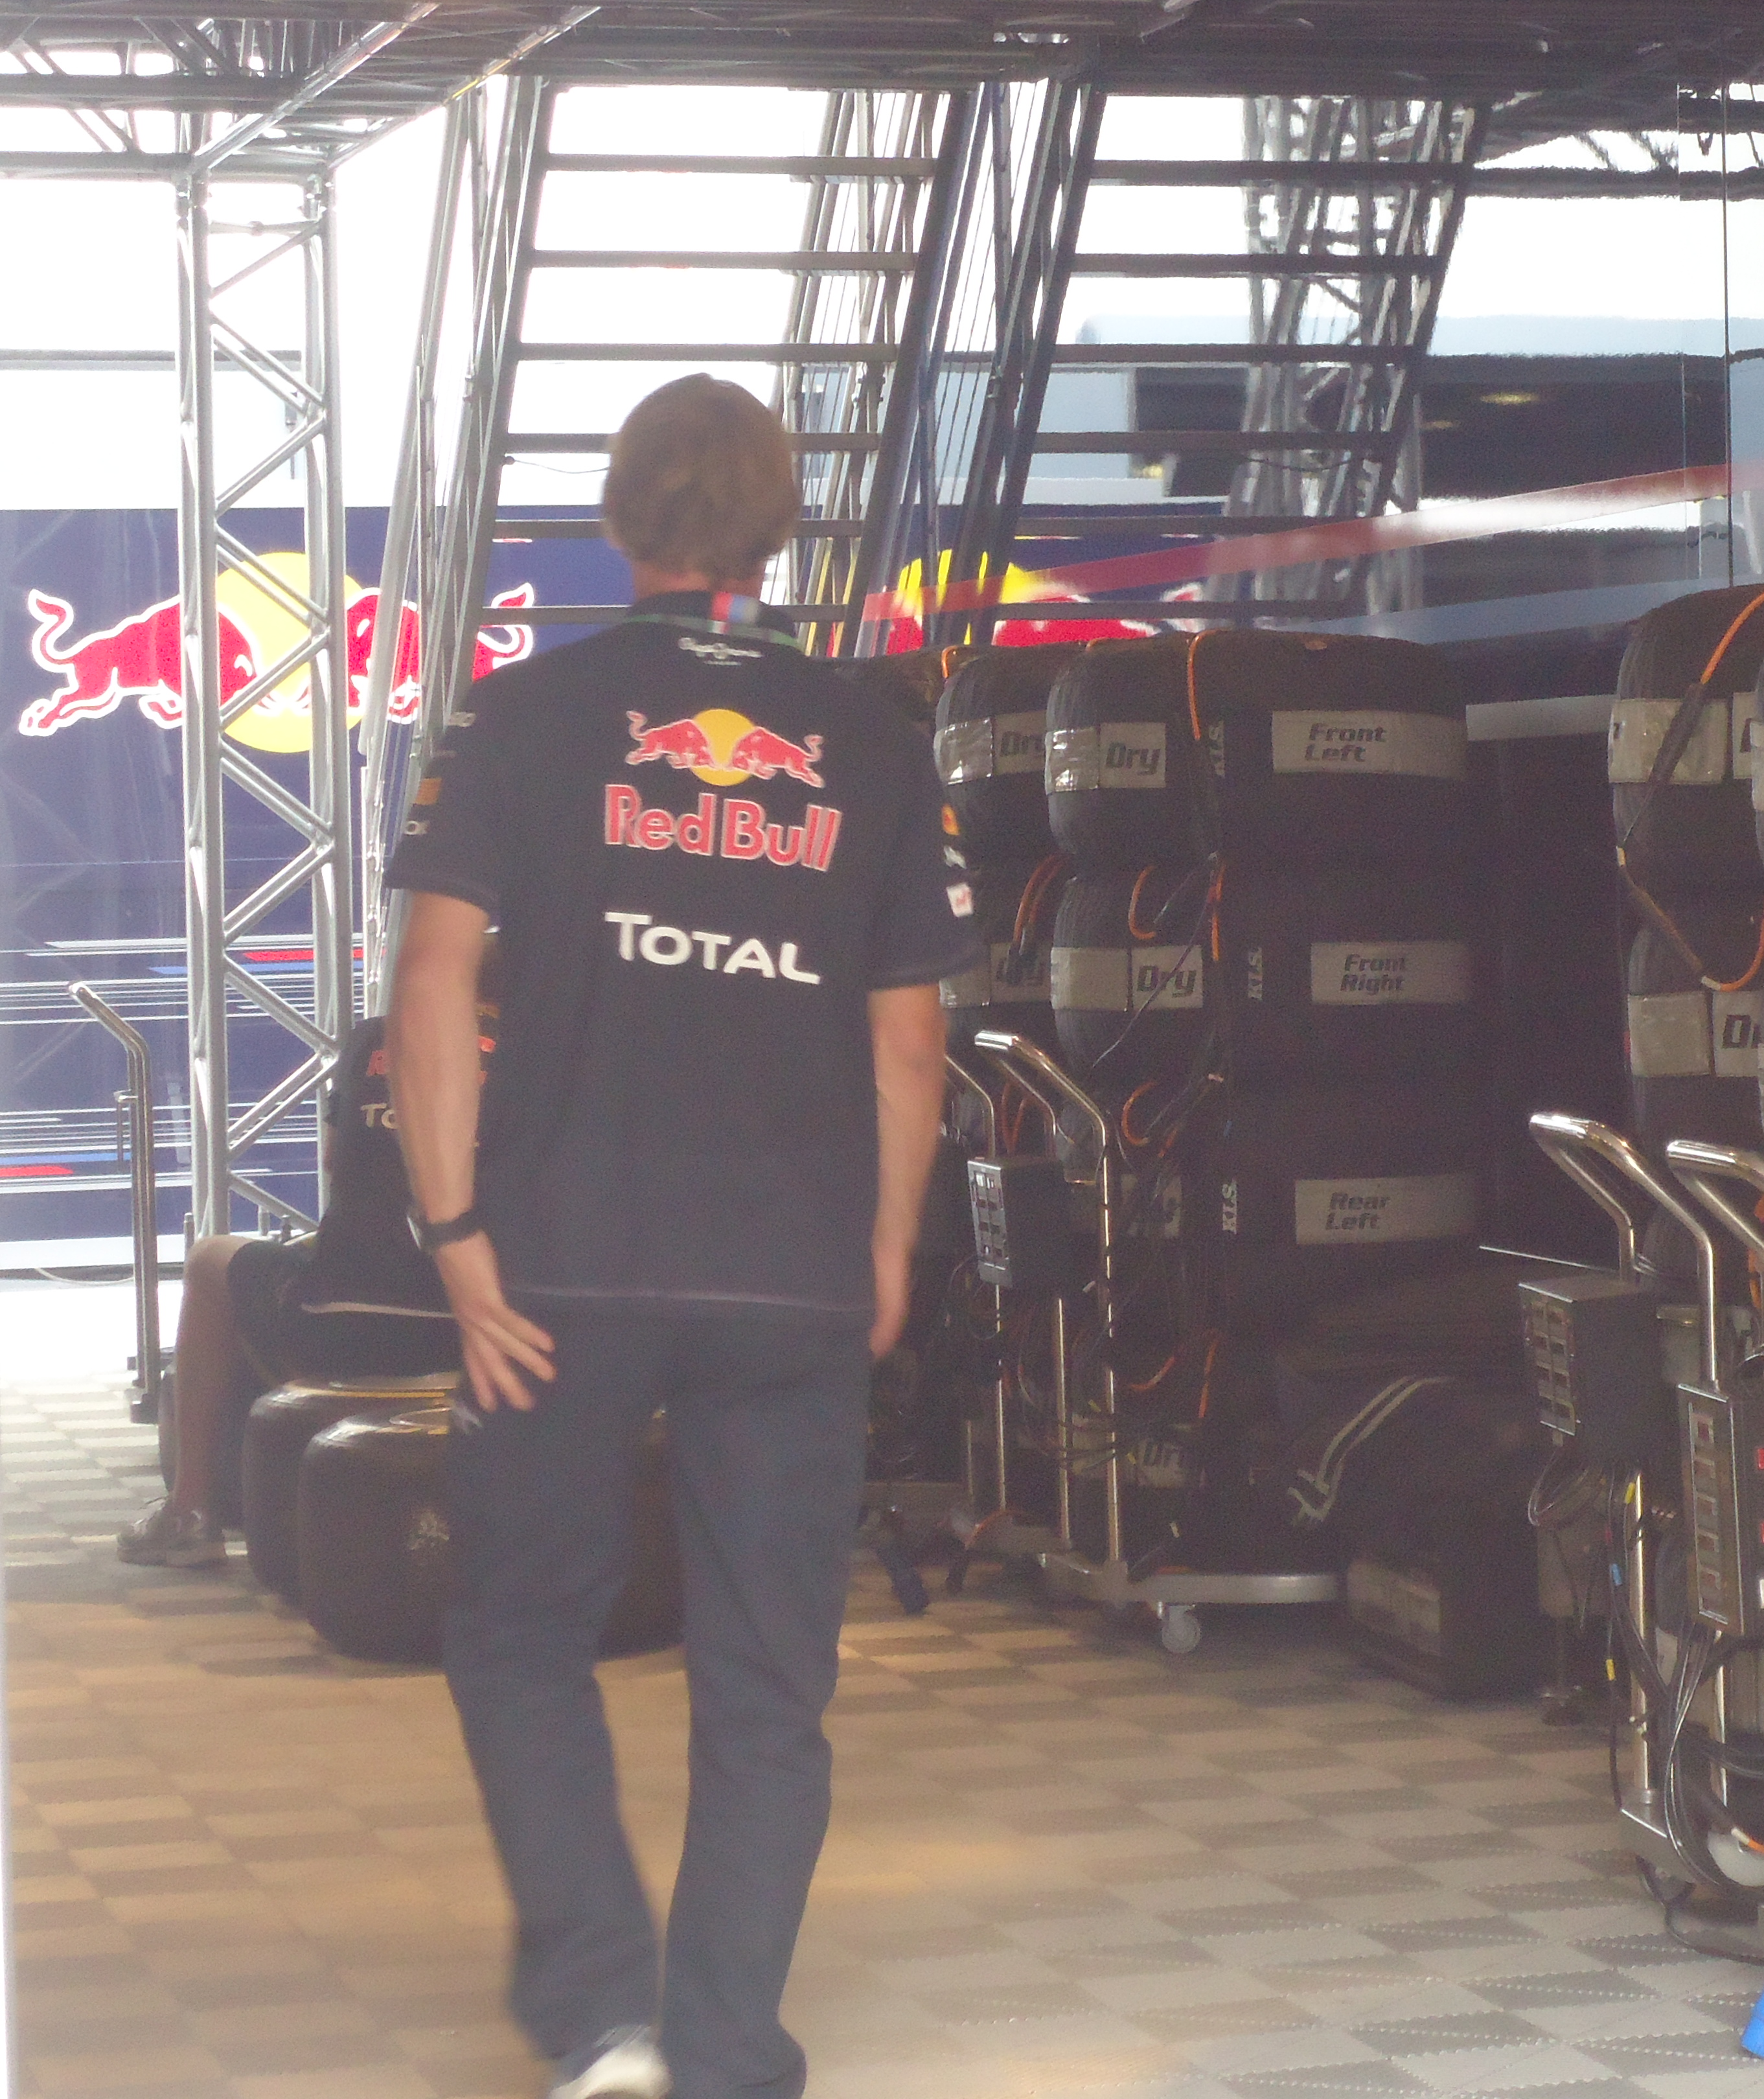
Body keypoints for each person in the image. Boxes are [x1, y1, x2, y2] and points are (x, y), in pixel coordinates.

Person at [383, 374, 978, 2099]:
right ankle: (722, 2055)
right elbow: (911, 1040)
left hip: (554, 1266)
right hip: (791, 1270)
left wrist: (453, 1235)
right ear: (780, 527)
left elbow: (431, 985)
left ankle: (603, 2025)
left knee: (518, 1634)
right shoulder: (876, 741)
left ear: (617, 516)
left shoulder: (521, 718)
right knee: (770, 1684)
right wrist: (886, 1244)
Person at [116, 1004, 483, 1568]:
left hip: (340, 1323)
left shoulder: (376, 1037)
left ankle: (190, 1513)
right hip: (481, 1334)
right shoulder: (550, 1053)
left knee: (209, 1260)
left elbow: (337, 1160)